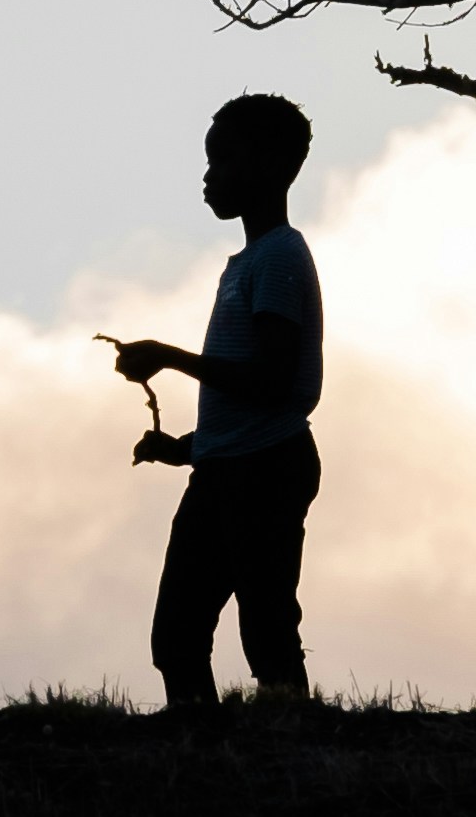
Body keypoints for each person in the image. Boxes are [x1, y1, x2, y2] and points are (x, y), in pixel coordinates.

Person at [107, 94, 321, 719]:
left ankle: (288, 753)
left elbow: (273, 383)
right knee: (176, 637)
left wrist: (169, 357)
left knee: (266, 630)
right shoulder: (250, 262)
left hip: (269, 469)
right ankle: (202, 751)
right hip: (227, 470)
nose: (210, 175)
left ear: (276, 164)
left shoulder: (278, 257)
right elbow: (249, 398)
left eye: (223, 158)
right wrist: (187, 448)